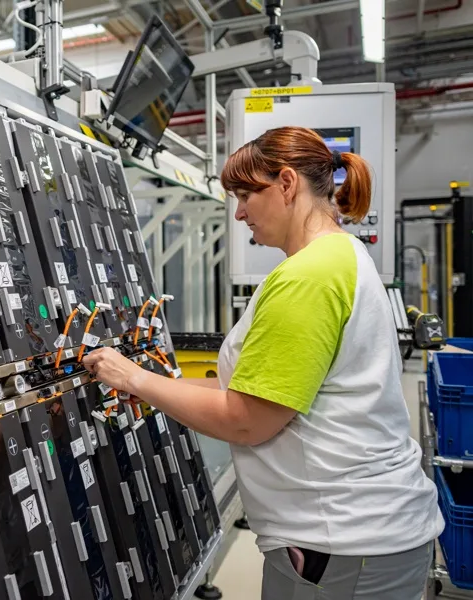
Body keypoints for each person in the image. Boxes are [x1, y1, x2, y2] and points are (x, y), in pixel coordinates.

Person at [83, 126, 443, 599]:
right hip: (364, 536)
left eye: (246, 194)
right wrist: (153, 384)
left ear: (287, 184)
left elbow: (248, 420)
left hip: (342, 544)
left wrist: (132, 376)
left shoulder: (308, 278)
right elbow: (256, 391)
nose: (240, 212)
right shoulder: (342, 255)